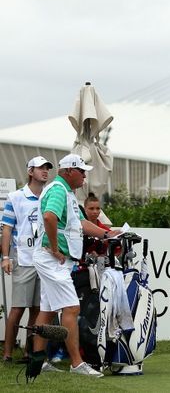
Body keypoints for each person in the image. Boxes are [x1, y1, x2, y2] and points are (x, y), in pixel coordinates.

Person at [26, 154, 120, 379]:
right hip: (53, 259)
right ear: (69, 171)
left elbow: (82, 223)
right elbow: (49, 218)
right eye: (82, 171)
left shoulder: (64, 192)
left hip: (53, 259)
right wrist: (56, 248)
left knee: (47, 311)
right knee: (72, 309)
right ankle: (77, 364)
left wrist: (107, 233)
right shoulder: (59, 190)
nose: (85, 176)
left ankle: (37, 359)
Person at [1, 156, 52, 364]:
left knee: (38, 309)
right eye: (40, 168)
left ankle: (29, 351)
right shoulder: (16, 196)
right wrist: (5, 257)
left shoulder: (49, 196)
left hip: (44, 260)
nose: (45, 171)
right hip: (22, 258)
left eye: (47, 168)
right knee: (18, 308)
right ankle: (7, 353)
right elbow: (7, 228)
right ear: (30, 171)